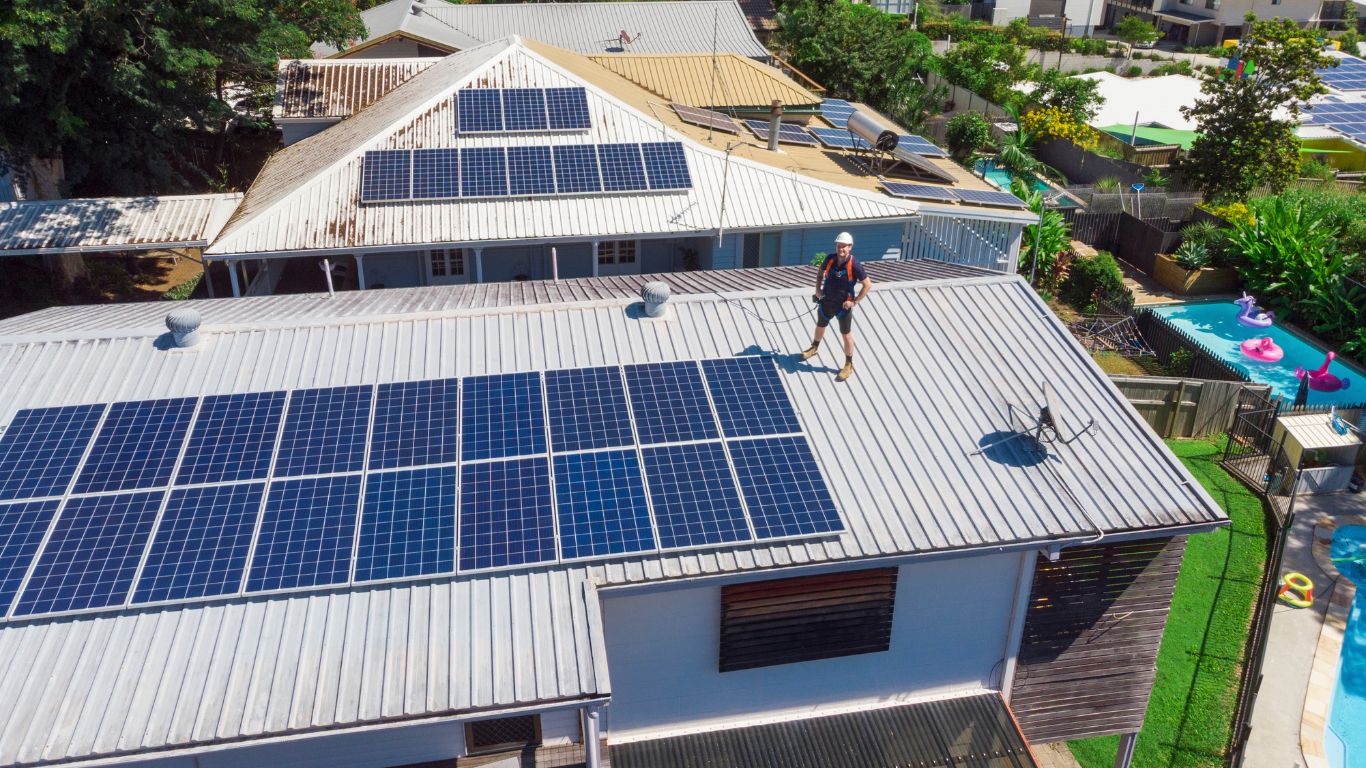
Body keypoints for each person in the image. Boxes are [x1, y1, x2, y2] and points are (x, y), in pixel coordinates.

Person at [800, 231, 871, 381]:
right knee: (820, 325)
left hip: (843, 306)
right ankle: (814, 348)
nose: (841, 249)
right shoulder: (830, 259)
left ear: (850, 247)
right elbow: (820, 273)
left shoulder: (855, 265)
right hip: (827, 301)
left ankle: (848, 364)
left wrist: (854, 302)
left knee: (846, 334)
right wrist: (818, 290)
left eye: (844, 246)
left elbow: (867, 284)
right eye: (839, 246)